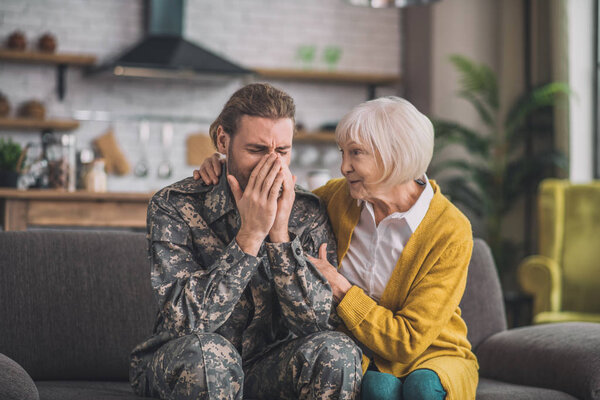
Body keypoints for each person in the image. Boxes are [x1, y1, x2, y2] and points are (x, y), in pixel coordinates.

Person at [195, 96, 479, 399]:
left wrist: (340, 286)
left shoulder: (450, 229)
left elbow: (407, 343)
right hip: (364, 353)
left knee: (423, 388)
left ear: (395, 155)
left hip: (430, 351)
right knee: (377, 388)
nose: (344, 167)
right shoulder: (338, 198)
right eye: (342, 153)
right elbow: (279, 198)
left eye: (356, 153)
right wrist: (225, 166)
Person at [130, 83, 362, 400]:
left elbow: (317, 324)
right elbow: (184, 322)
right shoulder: (174, 205)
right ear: (223, 141)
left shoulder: (307, 212)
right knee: (208, 354)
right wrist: (250, 237)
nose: (272, 164)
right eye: (256, 150)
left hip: (268, 367)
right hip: (188, 361)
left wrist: (280, 237)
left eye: (282, 151)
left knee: (337, 349)